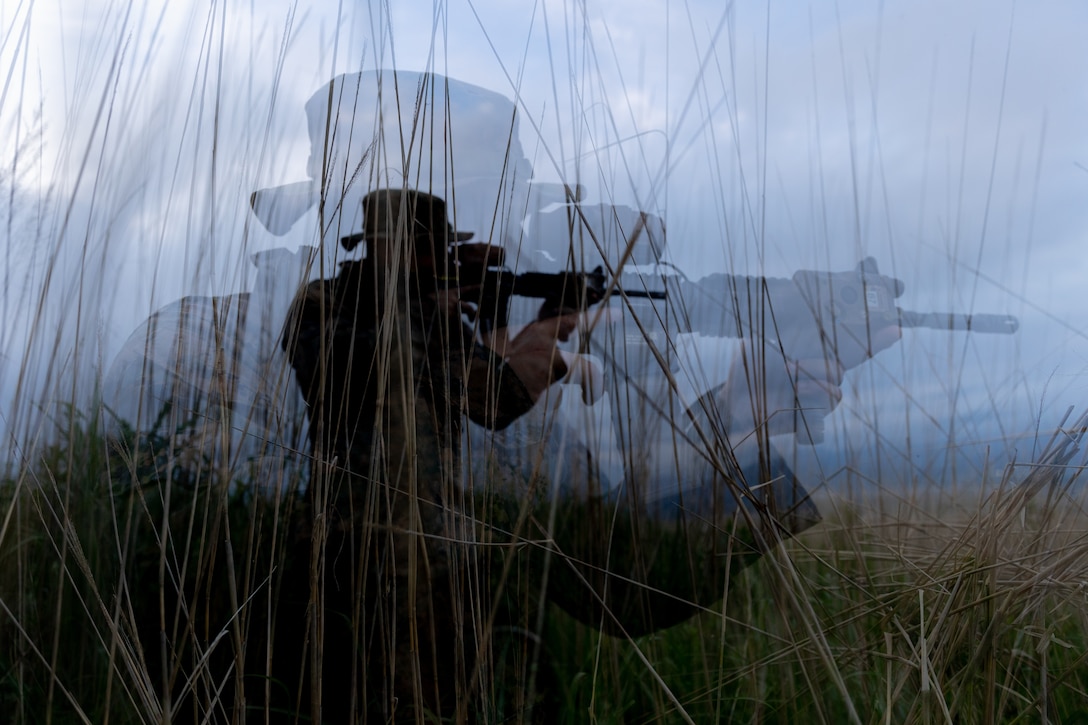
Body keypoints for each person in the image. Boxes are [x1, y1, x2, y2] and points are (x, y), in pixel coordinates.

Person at [273, 187, 581, 722]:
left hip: (423, 543)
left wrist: (511, 314)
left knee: (417, 695)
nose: (444, 262)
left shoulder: (427, 318)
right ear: (395, 249)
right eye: (435, 250)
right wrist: (430, 315)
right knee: (344, 691)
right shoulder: (321, 304)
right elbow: (342, 372)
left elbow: (486, 395)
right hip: (351, 539)